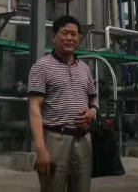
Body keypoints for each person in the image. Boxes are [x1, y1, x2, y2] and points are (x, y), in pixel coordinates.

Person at [28, 15, 98, 192]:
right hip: (55, 140)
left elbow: (93, 98)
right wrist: (40, 148)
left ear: (79, 38)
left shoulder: (84, 68)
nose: (69, 38)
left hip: (83, 139)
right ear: (54, 37)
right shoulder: (41, 67)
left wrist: (93, 112)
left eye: (73, 34)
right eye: (64, 33)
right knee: (52, 187)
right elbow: (35, 108)